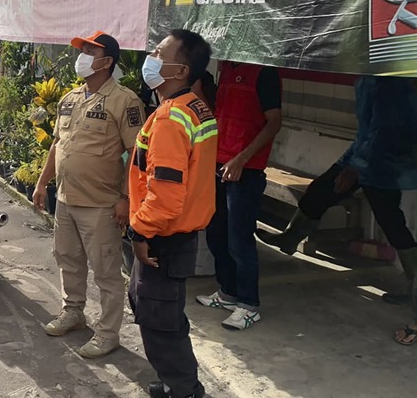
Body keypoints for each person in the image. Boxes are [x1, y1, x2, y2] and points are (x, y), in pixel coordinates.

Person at [255, 76, 417, 338]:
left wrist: (354, 169)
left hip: (385, 163)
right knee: (318, 192)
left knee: (391, 223)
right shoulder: (366, 79)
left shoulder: (389, 82)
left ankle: (413, 285)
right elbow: (365, 131)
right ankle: (290, 238)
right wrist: (347, 163)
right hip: (361, 155)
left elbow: (385, 131)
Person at [33, 30, 146, 359]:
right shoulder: (70, 99)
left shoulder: (124, 101)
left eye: (89, 52)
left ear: (107, 61)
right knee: (67, 260)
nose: (81, 57)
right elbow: (58, 144)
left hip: (101, 204)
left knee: (106, 272)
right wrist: (41, 183)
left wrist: (126, 198)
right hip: (66, 200)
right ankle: (74, 312)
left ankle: (108, 333)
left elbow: (136, 154)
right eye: (82, 50)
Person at [127, 29, 216, 398]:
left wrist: (139, 232)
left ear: (180, 71)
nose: (151, 58)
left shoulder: (171, 118)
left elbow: (165, 194)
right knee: (164, 313)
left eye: (159, 53)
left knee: (159, 320)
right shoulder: (196, 107)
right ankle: (177, 383)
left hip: (162, 236)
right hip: (177, 233)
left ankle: (182, 390)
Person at [195, 62, 282, 330]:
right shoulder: (226, 69)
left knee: (239, 239)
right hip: (219, 163)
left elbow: (274, 122)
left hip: (246, 169)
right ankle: (228, 292)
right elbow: (219, 114)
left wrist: (241, 159)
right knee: (216, 233)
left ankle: (248, 305)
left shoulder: (264, 72)